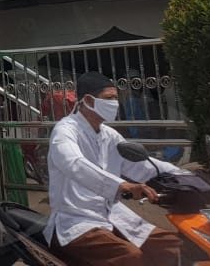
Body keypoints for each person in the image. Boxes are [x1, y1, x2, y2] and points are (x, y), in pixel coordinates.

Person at [45, 71, 186, 265]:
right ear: (88, 100)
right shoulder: (65, 131)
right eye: (109, 98)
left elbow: (142, 165)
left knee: (171, 245)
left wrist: (185, 176)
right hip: (76, 221)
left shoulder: (109, 135)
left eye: (116, 98)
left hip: (113, 214)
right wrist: (122, 186)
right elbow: (74, 163)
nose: (115, 103)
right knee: (130, 258)